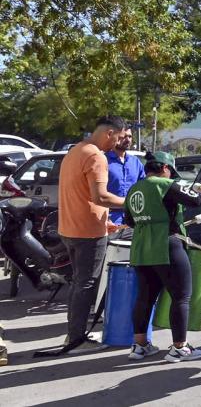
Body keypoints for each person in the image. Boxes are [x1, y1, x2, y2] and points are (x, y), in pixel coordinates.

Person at [126, 151, 201, 362]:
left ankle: (139, 346)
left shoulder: (134, 189)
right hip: (167, 244)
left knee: (145, 298)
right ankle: (180, 347)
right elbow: (196, 201)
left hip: (141, 247)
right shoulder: (164, 184)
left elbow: (129, 220)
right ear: (165, 168)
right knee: (181, 297)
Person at [48, 116, 127, 355]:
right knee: (86, 284)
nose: (120, 142)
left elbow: (83, 196)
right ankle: (76, 339)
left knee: (80, 283)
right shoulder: (96, 155)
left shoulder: (75, 151)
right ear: (110, 133)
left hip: (71, 229)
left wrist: (106, 220)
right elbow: (100, 196)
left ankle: (74, 334)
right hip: (87, 233)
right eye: (120, 137)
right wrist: (133, 203)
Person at [106, 125, 145, 229]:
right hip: (109, 220)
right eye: (124, 136)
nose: (128, 140)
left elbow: (144, 189)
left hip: (134, 219)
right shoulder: (103, 160)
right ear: (116, 137)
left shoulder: (136, 162)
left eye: (130, 137)